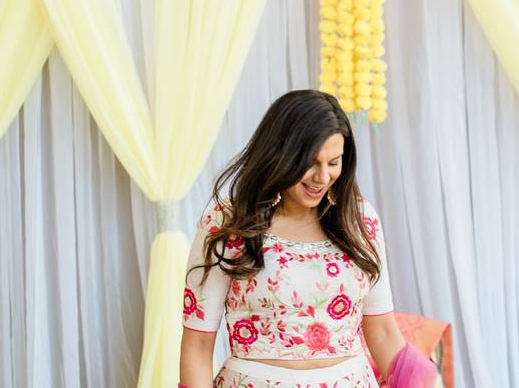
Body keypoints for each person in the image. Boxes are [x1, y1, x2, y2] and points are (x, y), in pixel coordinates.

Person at [179, 90, 434, 387]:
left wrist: (428, 379)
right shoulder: (228, 222)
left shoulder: (359, 219)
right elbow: (197, 346)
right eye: (311, 163)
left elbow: (384, 333)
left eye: (334, 162)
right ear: (280, 154)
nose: (322, 177)